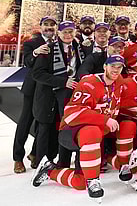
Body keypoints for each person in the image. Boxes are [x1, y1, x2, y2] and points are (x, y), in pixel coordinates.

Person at [31, 54, 127, 203]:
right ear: (104, 66)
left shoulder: (119, 83)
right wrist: (105, 119)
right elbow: (72, 112)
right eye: (112, 66)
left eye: (119, 67)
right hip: (72, 131)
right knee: (92, 131)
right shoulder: (89, 82)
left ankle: (49, 170)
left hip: (94, 137)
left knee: (80, 182)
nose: (116, 69)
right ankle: (94, 181)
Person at [31, 20, 84, 169]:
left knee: (66, 128)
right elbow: (37, 74)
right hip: (49, 97)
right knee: (45, 131)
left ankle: (63, 161)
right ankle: (41, 163)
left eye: (70, 31)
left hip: (69, 97)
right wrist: (62, 82)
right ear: (58, 33)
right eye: (64, 32)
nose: (68, 35)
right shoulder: (48, 49)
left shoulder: (79, 48)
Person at [13, 15, 55, 173]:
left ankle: (35, 154)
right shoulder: (31, 43)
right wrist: (35, 53)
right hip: (32, 89)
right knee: (25, 122)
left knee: (44, 123)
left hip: (48, 89)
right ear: (41, 26)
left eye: (52, 25)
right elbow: (27, 62)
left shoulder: (57, 43)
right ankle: (18, 158)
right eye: (46, 24)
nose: (49, 27)